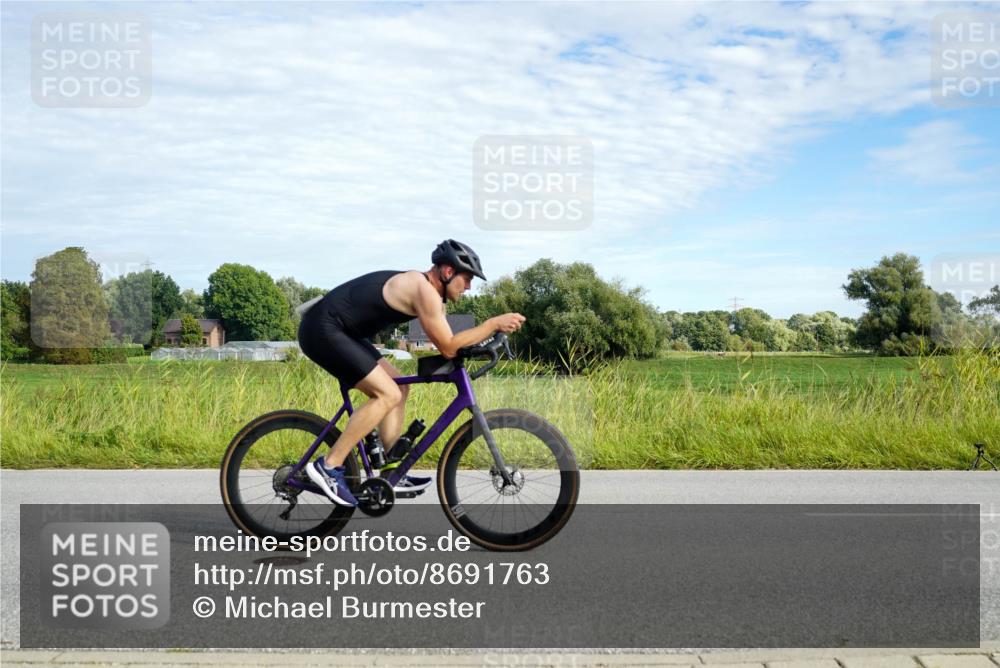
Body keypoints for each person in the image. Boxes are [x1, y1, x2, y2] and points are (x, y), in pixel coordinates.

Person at [298, 239, 525, 507]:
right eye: (467, 279)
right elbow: (450, 347)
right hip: (323, 329)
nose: (469, 287)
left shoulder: (433, 298)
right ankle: (329, 465)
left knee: (400, 387)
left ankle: (390, 472)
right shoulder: (423, 290)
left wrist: (486, 342)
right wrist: (491, 324)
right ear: (448, 272)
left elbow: (452, 344)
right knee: (387, 394)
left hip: (342, 332)